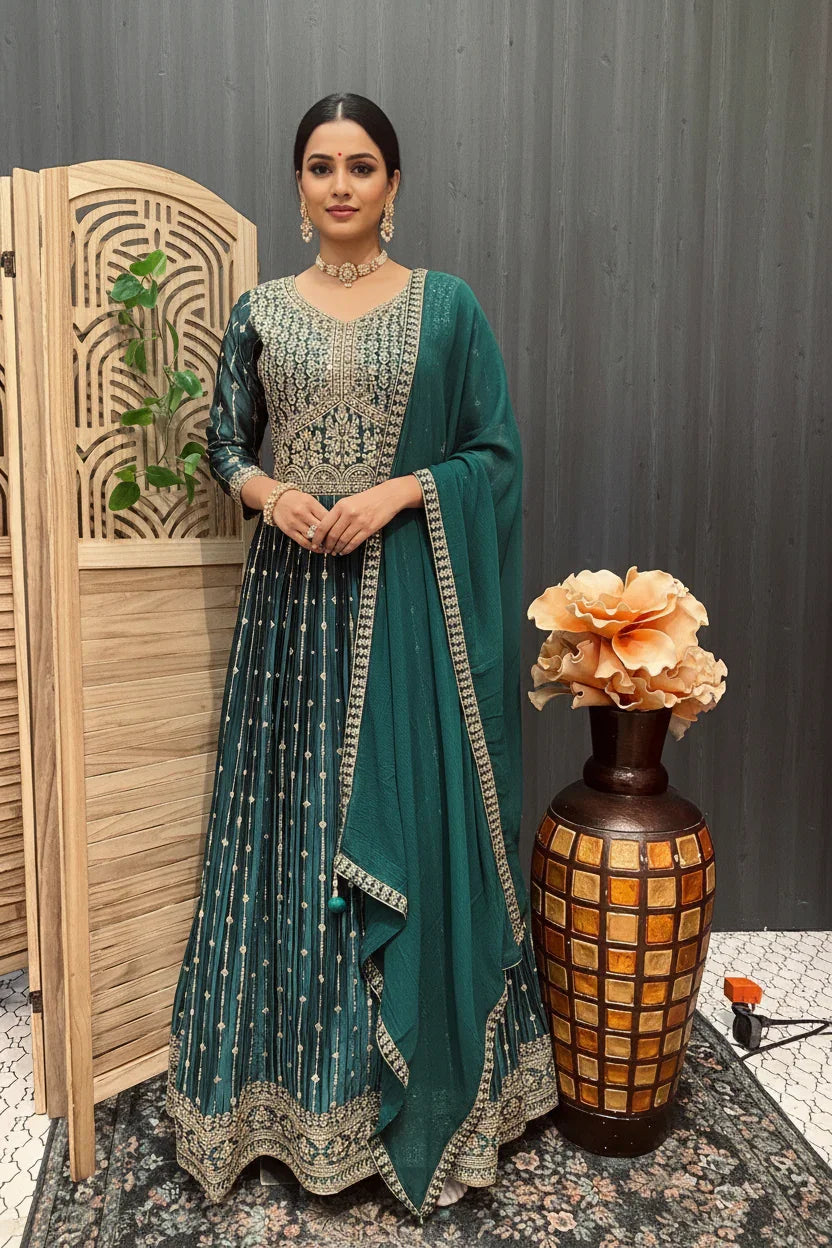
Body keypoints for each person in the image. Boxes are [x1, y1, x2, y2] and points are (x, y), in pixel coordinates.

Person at [165, 91, 558, 1223]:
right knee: (287, 832)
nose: (341, 184)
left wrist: (403, 489)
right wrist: (270, 492)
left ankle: (429, 1091)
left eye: (364, 166)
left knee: (409, 831)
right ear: (298, 186)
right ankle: (284, 1102)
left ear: (394, 186)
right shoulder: (260, 311)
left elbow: (493, 450)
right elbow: (223, 437)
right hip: (293, 612)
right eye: (322, 166)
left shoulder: (448, 311)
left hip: (408, 614)